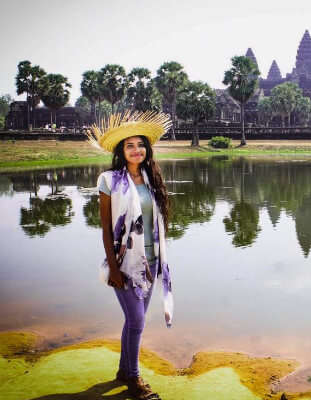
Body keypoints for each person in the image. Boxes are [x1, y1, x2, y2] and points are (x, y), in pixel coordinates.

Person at [89, 111, 174, 400]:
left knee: (132, 320)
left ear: (147, 150)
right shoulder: (109, 180)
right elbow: (105, 229)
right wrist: (113, 269)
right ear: (121, 151)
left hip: (151, 262)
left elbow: (155, 223)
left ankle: (124, 371)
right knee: (137, 321)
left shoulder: (152, 178)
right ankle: (135, 379)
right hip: (126, 263)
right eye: (129, 145)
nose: (136, 149)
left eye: (140, 144)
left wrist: (161, 261)